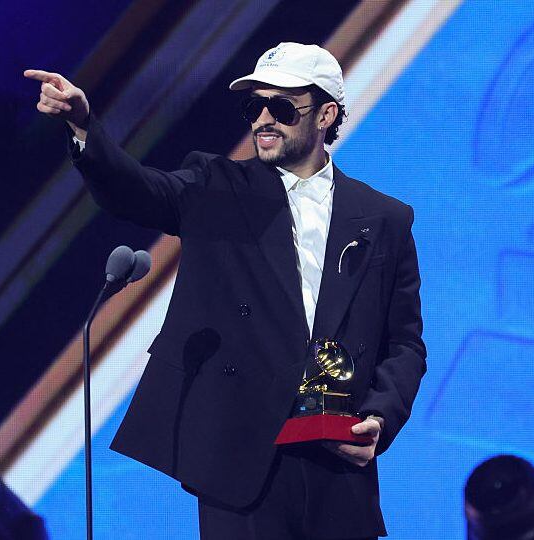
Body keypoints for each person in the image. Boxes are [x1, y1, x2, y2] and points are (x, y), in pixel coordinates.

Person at [25, 42, 426, 540]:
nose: (263, 119)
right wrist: (84, 125)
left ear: (325, 115)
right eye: (254, 107)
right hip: (241, 460)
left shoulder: (385, 219)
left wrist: (380, 417)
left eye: (281, 108)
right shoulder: (216, 186)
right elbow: (135, 189)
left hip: (336, 465)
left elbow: (404, 343)